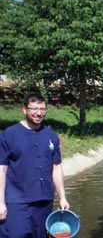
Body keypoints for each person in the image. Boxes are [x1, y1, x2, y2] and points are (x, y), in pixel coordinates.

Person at [0, 93, 70, 238]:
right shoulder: (9, 135)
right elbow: (1, 169)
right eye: (34, 109)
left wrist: (62, 197)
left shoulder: (51, 135)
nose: (39, 113)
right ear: (24, 110)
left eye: (43, 109)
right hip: (17, 202)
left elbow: (56, 168)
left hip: (44, 201)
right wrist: (0, 203)